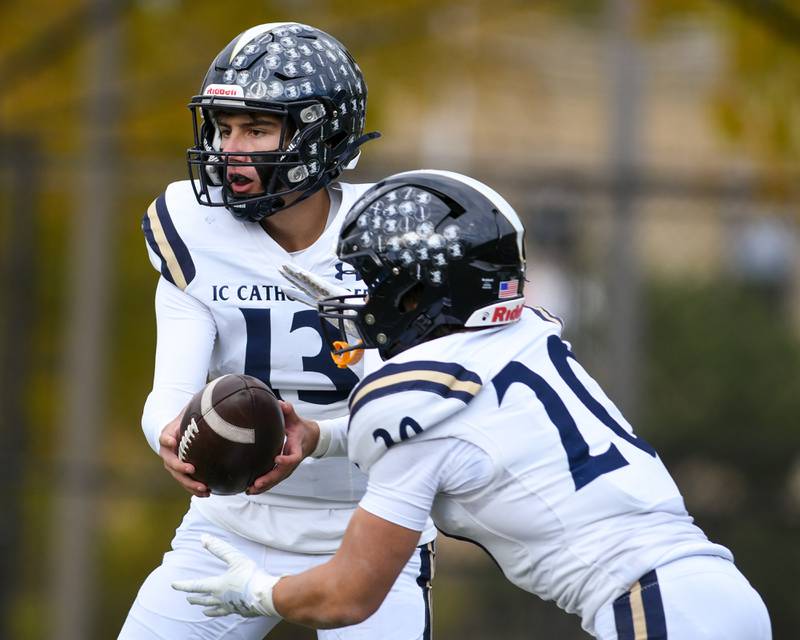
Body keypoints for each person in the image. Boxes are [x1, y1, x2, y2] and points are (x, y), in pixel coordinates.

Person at [172, 170, 772, 639]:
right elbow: (463, 429)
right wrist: (323, 437)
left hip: (655, 608)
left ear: (417, 292)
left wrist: (257, 592)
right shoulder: (523, 333)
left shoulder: (413, 404)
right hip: (712, 591)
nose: (362, 300)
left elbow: (348, 595)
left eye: (373, 283)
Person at [119, 23, 436, 640]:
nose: (230, 149)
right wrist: (168, 431)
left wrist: (316, 437)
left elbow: (413, 410)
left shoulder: (392, 240)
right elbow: (168, 390)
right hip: (230, 525)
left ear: (322, 134)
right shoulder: (194, 230)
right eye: (223, 127)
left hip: (370, 530)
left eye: (257, 128)